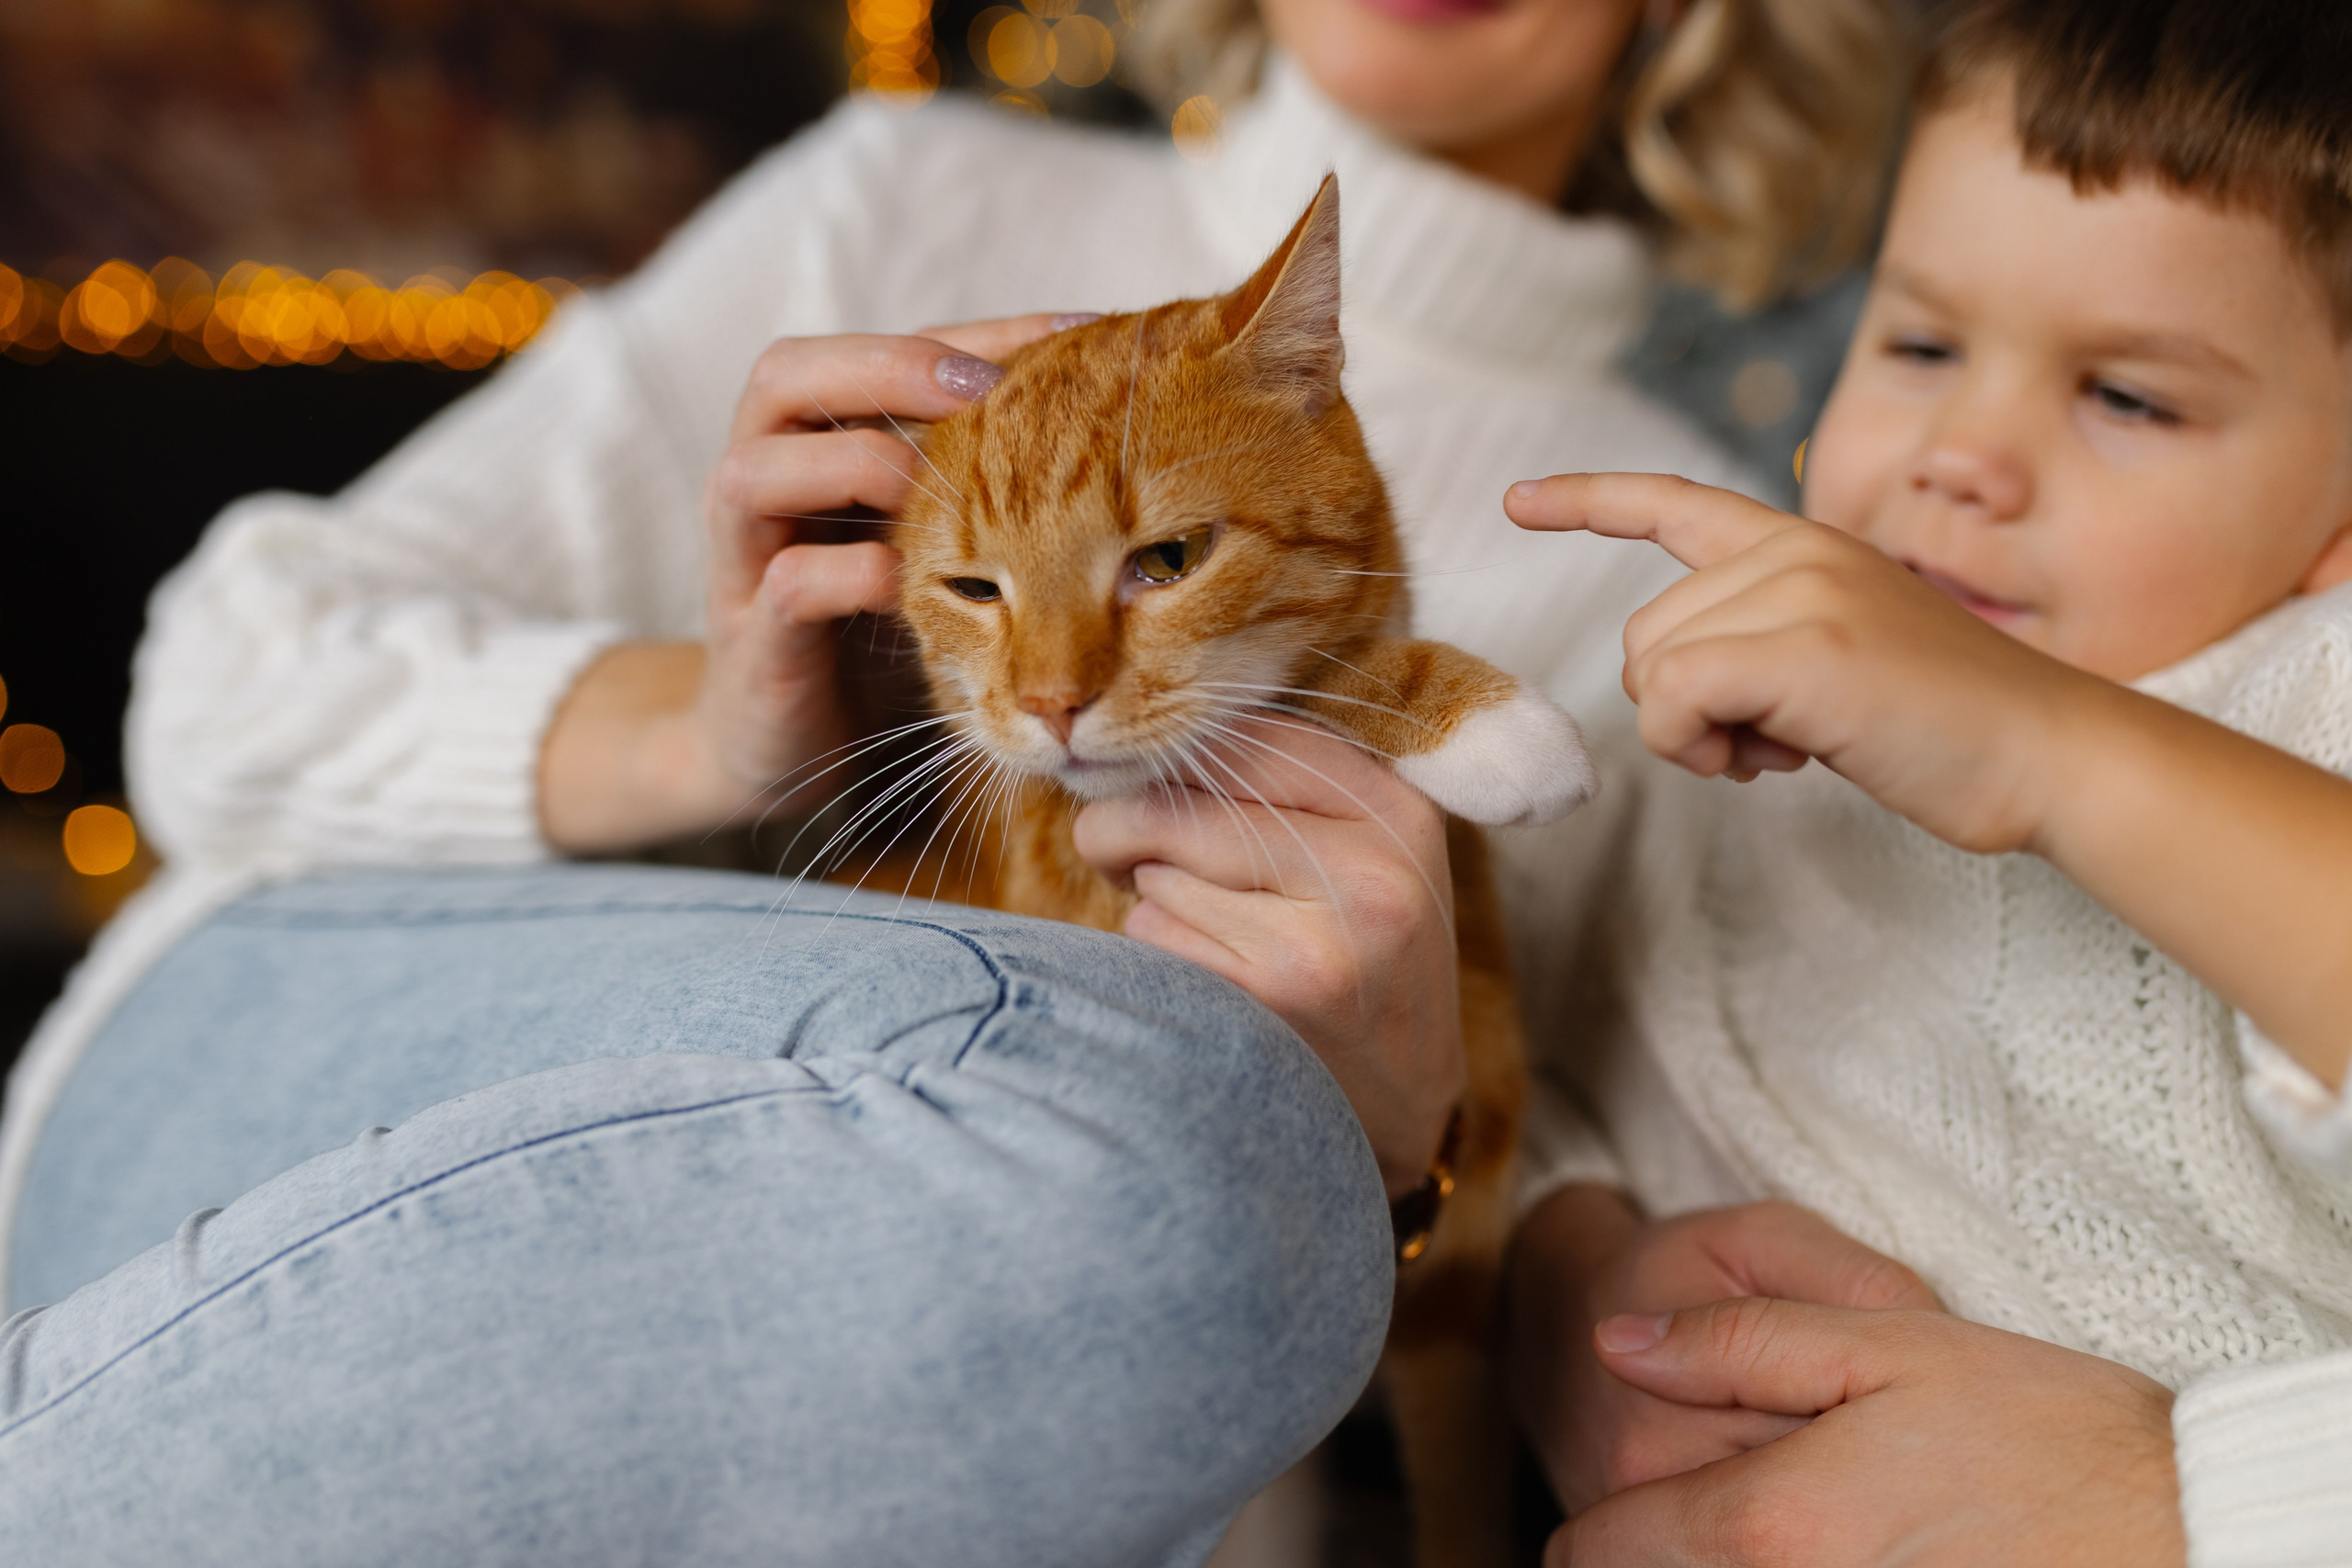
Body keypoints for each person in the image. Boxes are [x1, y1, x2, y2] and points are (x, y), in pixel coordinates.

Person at [0, 0, 1905, 1562]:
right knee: (1095, 1075)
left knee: (1165, 1147)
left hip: (926, 1364)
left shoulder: (1653, 527)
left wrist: (1390, 1158)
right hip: (276, 1072)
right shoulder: (903, 202)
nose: (1069, 676)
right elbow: (216, 688)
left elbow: (1563, 1181)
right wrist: (720, 738)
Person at [1499, 0, 2352, 1562]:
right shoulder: (1729, 735)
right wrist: (1568, 1266)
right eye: (1921, 343)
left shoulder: (2314, 682)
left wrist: (2050, 748)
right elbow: (1514, 1042)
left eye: (2130, 397)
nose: (1964, 449)